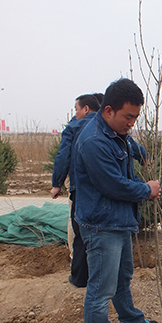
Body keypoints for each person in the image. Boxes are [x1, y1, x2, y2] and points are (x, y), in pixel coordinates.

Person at [75, 78, 161, 323]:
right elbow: (114, 185)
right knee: (101, 290)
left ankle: (130, 320)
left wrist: (140, 154)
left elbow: (126, 156)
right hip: (101, 224)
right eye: (129, 117)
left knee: (122, 276)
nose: (132, 124)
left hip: (117, 219)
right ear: (108, 110)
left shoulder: (116, 132)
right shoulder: (94, 142)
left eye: (136, 117)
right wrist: (146, 190)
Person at [51, 93, 100, 288]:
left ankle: (80, 278)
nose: (75, 113)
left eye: (77, 109)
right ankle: (99, 279)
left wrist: (57, 183)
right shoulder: (107, 126)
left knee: (80, 232)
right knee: (101, 233)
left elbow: (63, 156)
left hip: (80, 188)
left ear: (86, 108)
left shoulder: (74, 127)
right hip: (104, 189)